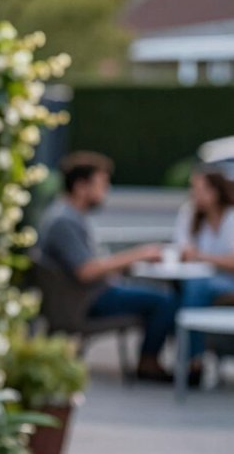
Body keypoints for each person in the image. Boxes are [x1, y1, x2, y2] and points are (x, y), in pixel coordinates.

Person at [37, 151, 178, 381]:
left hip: (90, 294)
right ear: (81, 186)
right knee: (165, 301)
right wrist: (137, 255)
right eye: (102, 184)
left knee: (157, 294)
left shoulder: (69, 215)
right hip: (86, 300)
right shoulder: (64, 220)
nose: (107, 191)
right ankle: (148, 363)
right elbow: (86, 271)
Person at [174, 168, 234, 382]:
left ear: (215, 191)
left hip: (227, 281)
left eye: (199, 189)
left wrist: (201, 256)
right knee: (184, 292)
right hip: (198, 279)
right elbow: (182, 249)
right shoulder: (189, 214)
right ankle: (192, 359)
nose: (194, 195)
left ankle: (193, 360)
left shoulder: (230, 217)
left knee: (197, 288)